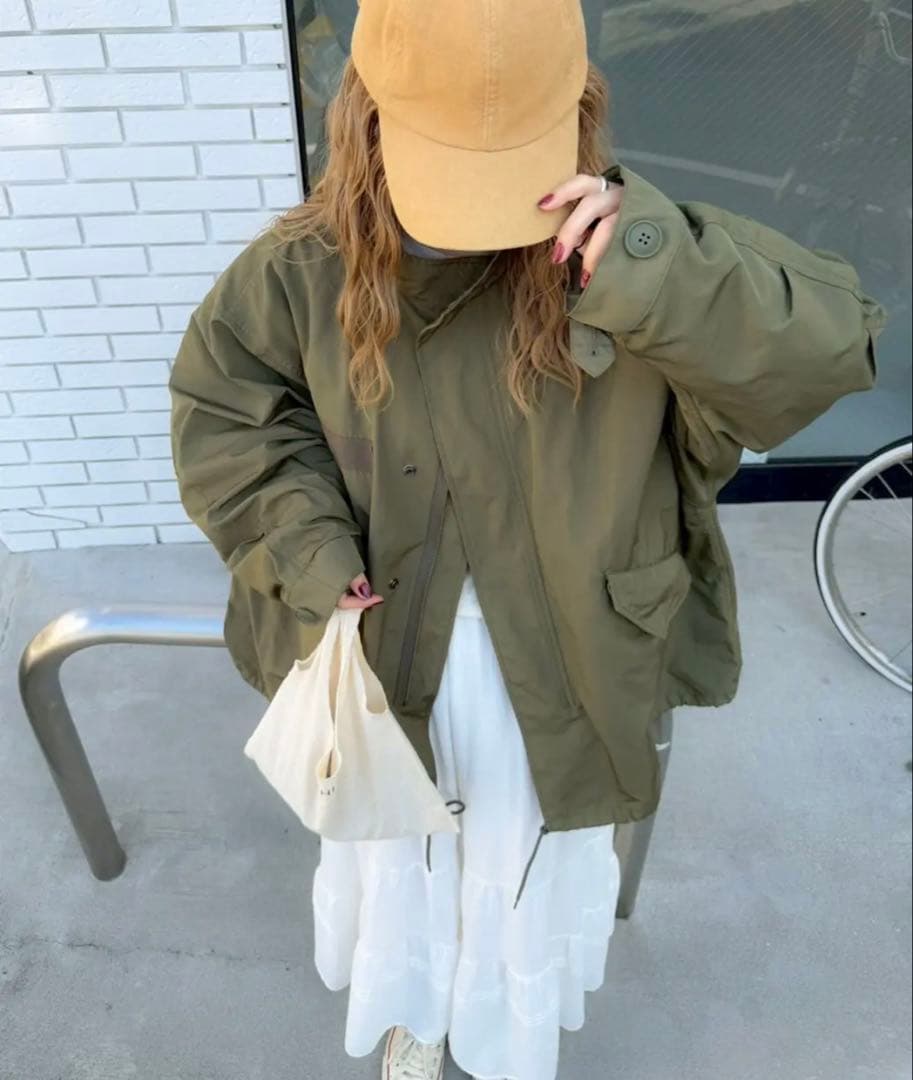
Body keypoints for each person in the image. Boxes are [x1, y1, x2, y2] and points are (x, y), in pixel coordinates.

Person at [168, 2, 886, 1078]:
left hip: (565, 642)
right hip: (384, 639)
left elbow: (826, 351)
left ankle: (505, 1032)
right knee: (399, 852)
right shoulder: (303, 267)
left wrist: (652, 258)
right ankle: (418, 1011)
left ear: (574, 113)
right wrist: (309, 546)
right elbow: (233, 413)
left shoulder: (624, 255)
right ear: (366, 116)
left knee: (525, 858)